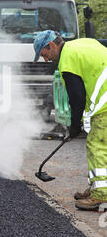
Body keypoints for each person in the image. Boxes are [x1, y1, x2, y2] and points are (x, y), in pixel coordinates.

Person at [33, 30, 107, 211]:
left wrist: (74, 126)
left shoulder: (67, 60)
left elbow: (77, 97)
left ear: (51, 46)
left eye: (44, 54)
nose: (46, 59)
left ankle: (102, 195)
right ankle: (98, 187)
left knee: (97, 145)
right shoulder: (81, 44)